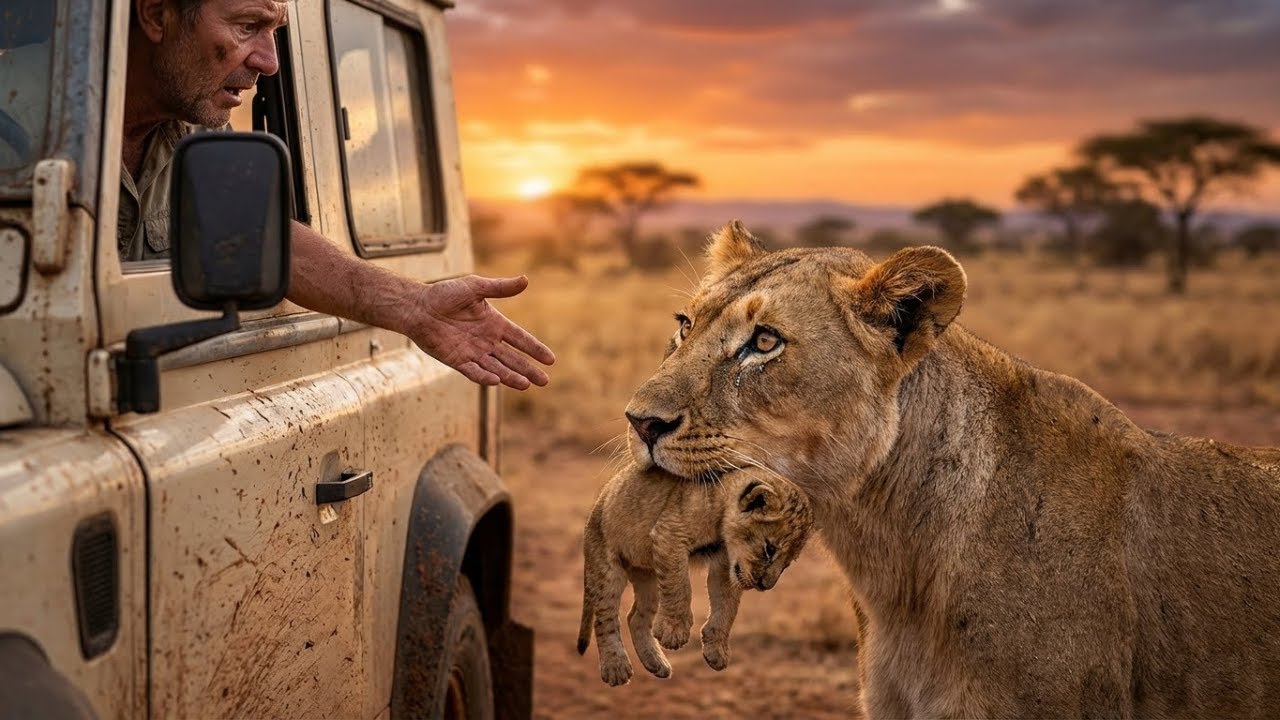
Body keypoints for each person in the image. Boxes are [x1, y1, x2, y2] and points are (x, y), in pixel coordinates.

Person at [122, 0, 554, 390]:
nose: (269, 62)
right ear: (157, 15)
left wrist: (417, 306)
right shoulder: (76, 138)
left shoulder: (195, 134)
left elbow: (262, 241)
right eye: (247, 26)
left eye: (273, 31)